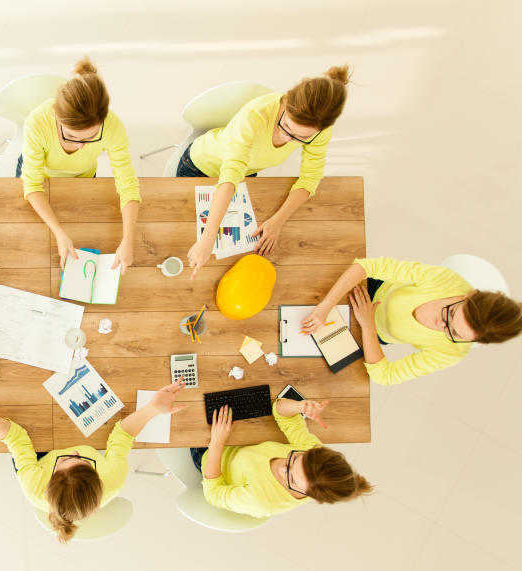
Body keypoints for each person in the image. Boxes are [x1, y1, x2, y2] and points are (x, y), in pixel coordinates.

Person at [0, 379, 186, 543]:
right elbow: (122, 435)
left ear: (50, 478)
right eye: (82, 461)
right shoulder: (113, 478)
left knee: (20, 449)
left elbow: (17, 439)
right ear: (97, 477)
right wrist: (152, 409)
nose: (77, 453)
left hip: (37, 460)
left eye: (67, 460)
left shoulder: (34, 486)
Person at [182, 65, 351, 277]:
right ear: (287, 101)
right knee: (184, 230)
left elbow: (310, 178)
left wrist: (277, 221)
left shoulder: (320, 131)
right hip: (200, 165)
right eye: (286, 126)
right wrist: (208, 240)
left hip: (245, 173)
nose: (288, 139)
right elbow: (230, 175)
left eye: (302, 137)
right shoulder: (256, 115)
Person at [302, 257, 522, 385]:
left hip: (372, 335)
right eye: (450, 314)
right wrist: (325, 306)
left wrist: (368, 325)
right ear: (468, 295)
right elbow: (366, 267)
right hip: (368, 289)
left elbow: (385, 375)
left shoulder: (452, 352)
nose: (439, 325)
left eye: (453, 333)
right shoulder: (446, 281)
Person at [18, 57, 141, 272]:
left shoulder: (113, 126)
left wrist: (128, 238)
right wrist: (58, 232)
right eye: (73, 137)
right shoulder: (37, 122)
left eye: (91, 137)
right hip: (42, 179)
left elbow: (128, 186)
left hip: (82, 179)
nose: (82, 147)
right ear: (57, 117)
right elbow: (32, 186)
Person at [192, 398, 372, 518]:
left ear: (309, 494)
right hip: (237, 440)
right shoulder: (312, 454)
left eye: (291, 479)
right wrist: (299, 407)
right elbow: (284, 415)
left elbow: (213, 494)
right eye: (292, 460)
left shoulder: (261, 501)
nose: (282, 468)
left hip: (210, 456)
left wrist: (217, 442)